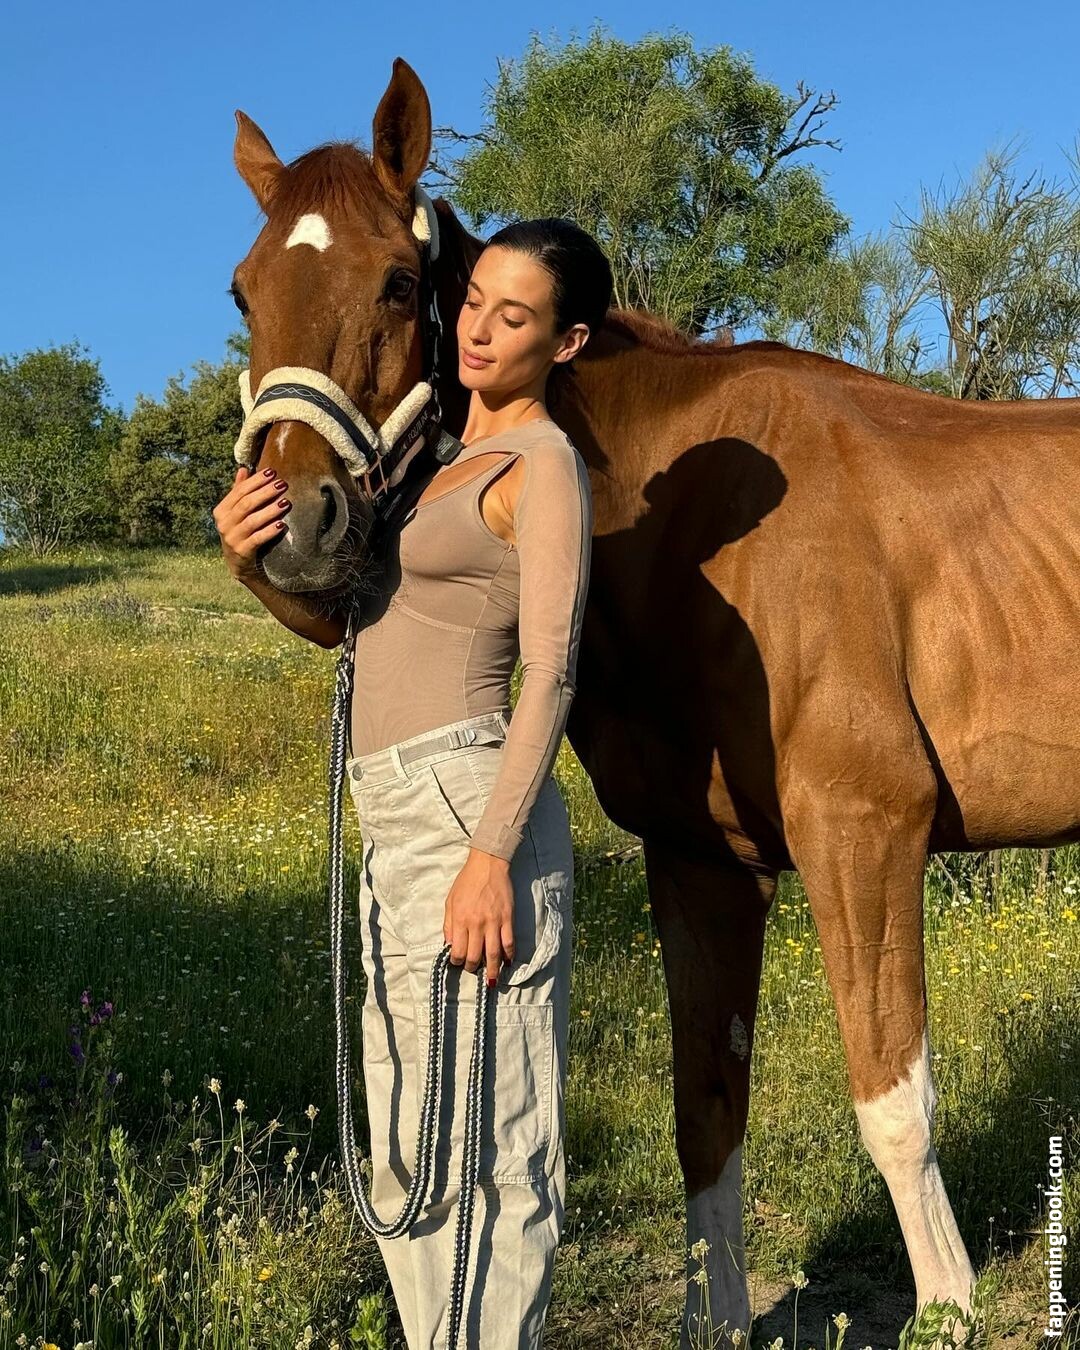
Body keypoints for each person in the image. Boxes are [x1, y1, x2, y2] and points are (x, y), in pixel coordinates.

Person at [214, 216, 612, 1348]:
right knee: (408, 1145)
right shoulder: (431, 468)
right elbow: (359, 635)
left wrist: (492, 856)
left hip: (471, 806)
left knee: (495, 1141)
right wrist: (249, 568)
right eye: (474, 301)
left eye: (515, 316)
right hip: (395, 811)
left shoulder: (542, 466)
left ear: (565, 343)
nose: (479, 330)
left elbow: (552, 670)